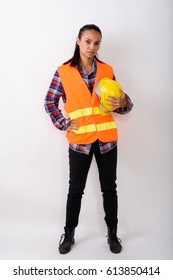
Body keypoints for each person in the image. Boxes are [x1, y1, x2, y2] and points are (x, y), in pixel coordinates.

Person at [44, 24, 133, 254]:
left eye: (96, 43)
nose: (92, 47)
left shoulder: (107, 69)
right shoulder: (63, 71)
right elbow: (49, 103)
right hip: (80, 141)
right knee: (75, 190)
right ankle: (69, 234)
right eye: (88, 41)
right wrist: (64, 123)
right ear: (78, 41)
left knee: (109, 189)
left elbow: (122, 103)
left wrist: (123, 102)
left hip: (106, 141)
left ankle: (113, 234)